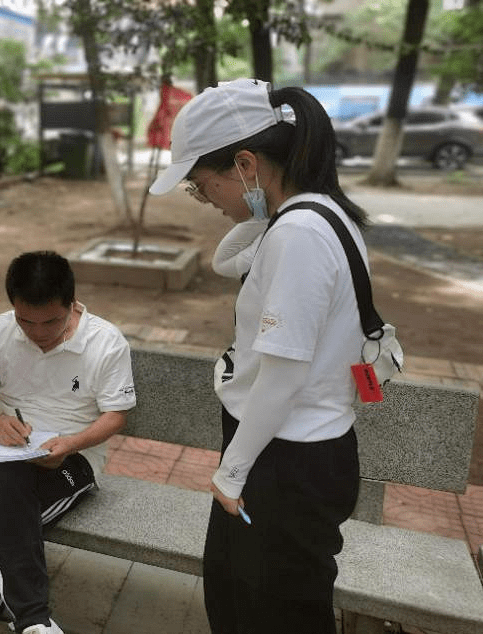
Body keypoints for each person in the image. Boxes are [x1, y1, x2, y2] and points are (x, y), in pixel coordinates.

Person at [149, 78, 366, 633]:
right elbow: (229, 260)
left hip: (283, 460)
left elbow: (283, 373)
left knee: (270, 610)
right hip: (286, 451)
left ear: (245, 163)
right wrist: (259, 209)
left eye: (201, 187)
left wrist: (232, 470)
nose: (204, 201)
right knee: (241, 594)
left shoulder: (300, 235)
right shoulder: (311, 215)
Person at [0, 251, 136, 634]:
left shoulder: (105, 342)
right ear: (13, 306)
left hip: (75, 457)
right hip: (7, 446)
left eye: (51, 321)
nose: (38, 332)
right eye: (25, 321)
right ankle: (34, 622)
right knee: (7, 483)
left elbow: (116, 416)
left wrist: (71, 443)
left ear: (72, 304)